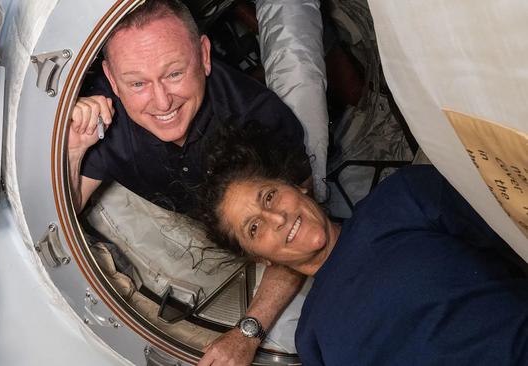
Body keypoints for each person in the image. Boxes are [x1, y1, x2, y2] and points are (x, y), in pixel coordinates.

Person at [67, 0, 312, 364]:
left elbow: (301, 234)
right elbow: (66, 210)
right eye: (137, 83)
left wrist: (248, 331)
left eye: (174, 74)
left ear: (204, 55)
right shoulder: (105, 115)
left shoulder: (258, 120)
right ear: (113, 80)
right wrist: (73, 149)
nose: (161, 101)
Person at [196, 127, 528, 365]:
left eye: (269, 196)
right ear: (260, 258)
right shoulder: (311, 338)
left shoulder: (401, 199)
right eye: (255, 228)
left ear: (298, 186)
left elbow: (513, 236)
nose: (276, 218)